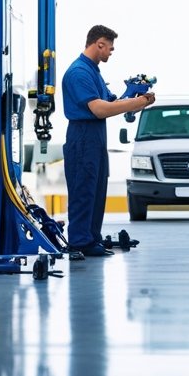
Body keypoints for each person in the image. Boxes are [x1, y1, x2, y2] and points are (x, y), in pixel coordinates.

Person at [62, 25, 155, 258]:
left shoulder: (93, 71)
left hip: (95, 138)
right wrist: (138, 103)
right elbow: (100, 109)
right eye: (110, 49)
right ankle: (80, 241)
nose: (111, 53)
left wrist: (132, 95)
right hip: (83, 137)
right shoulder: (79, 73)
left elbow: (111, 101)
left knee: (95, 189)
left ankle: (91, 238)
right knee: (83, 190)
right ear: (99, 44)